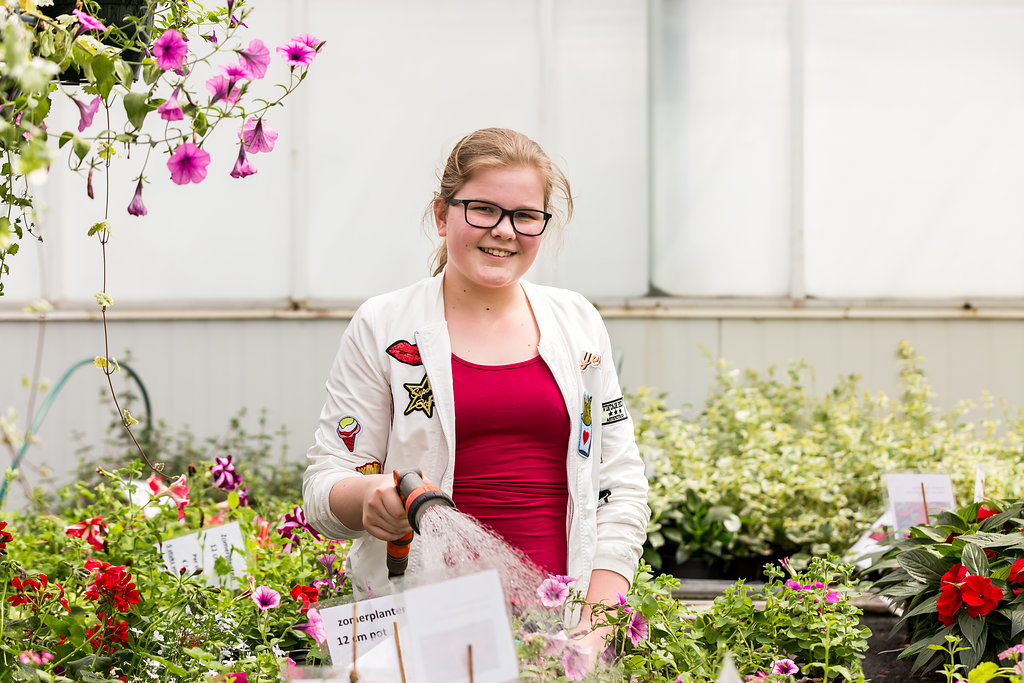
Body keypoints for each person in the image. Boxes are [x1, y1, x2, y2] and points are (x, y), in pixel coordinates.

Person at [302, 127, 650, 637]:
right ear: (442, 215)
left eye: (526, 216)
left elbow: (618, 486)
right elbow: (325, 481)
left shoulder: (577, 323)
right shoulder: (385, 325)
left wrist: (594, 630)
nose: (505, 230)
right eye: (483, 209)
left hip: (560, 627)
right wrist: (369, 497)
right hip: (421, 627)